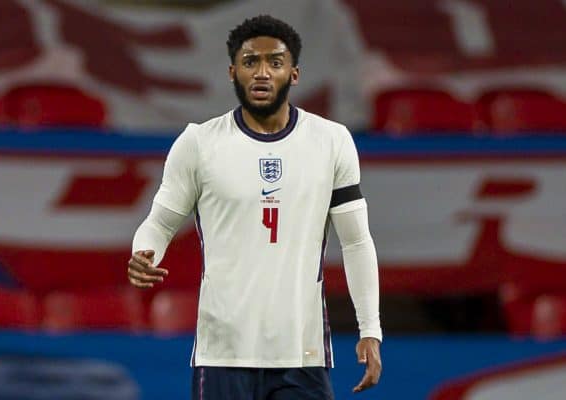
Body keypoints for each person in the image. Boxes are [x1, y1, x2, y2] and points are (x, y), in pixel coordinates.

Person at [128, 15, 382, 400]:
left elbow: (357, 243)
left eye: (274, 63)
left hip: (301, 354)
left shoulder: (332, 141)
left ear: (294, 74)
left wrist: (370, 329)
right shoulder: (198, 143)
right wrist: (143, 252)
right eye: (250, 62)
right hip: (222, 355)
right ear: (233, 71)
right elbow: (159, 224)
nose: (262, 73)